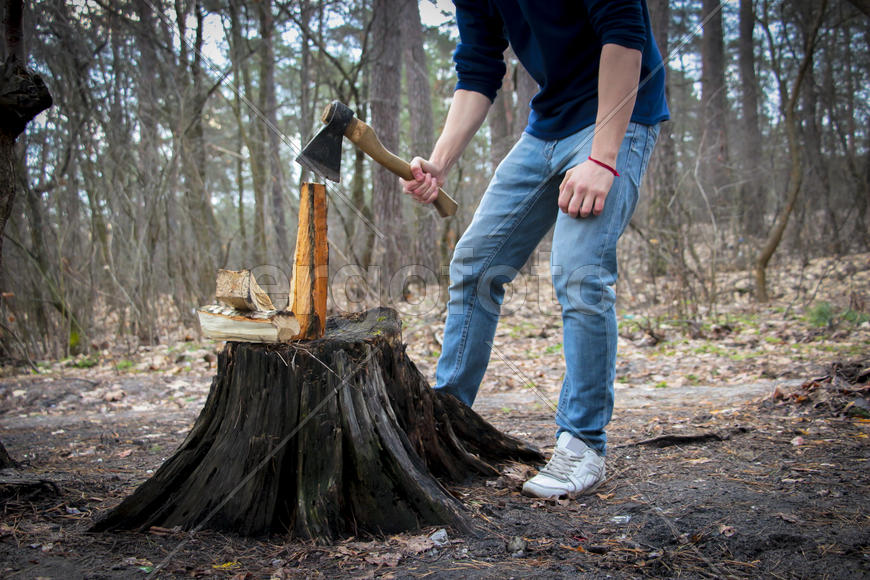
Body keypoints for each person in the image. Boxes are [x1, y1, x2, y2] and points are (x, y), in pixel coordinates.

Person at [401, 1, 669, 499]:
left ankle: (583, 443)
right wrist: (438, 163)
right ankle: (451, 423)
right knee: (476, 264)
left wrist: (603, 160)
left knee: (579, 271)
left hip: (618, 117)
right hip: (547, 126)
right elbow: (479, 66)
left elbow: (625, 35)